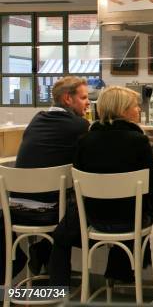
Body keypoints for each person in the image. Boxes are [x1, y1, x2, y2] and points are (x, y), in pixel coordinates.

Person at [49, 86, 153, 286]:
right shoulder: (138, 141)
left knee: (60, 235)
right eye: (135, 106)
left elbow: (77, 182)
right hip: (130, 222)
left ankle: (57, 291)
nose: (139, 109)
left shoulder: (85, 141)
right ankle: (126, 276)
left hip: (94, 221)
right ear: (121, 110)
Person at [6, 77, 90, 280]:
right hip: (50, 211)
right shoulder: (79, 125)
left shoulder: (37, 119)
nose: (88, 102)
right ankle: (57, 271)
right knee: (90, 207)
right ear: (68, 99)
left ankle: (43, 251)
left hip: (16, 208)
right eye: (84, 97)